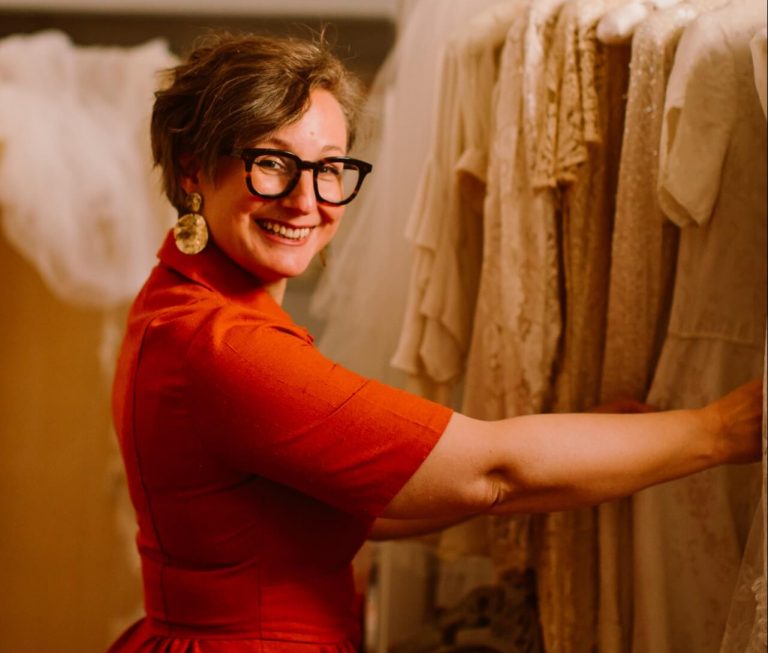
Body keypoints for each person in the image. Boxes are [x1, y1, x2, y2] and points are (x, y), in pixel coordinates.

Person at [107, 31, 762, 653]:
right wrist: (724, 429)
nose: (308, 199)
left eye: (330, 168)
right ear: (194, 168)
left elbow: (363, 505)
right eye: (273, 163)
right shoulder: (226, 347)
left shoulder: (183, 303)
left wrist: (598, 450)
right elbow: (491, 469)